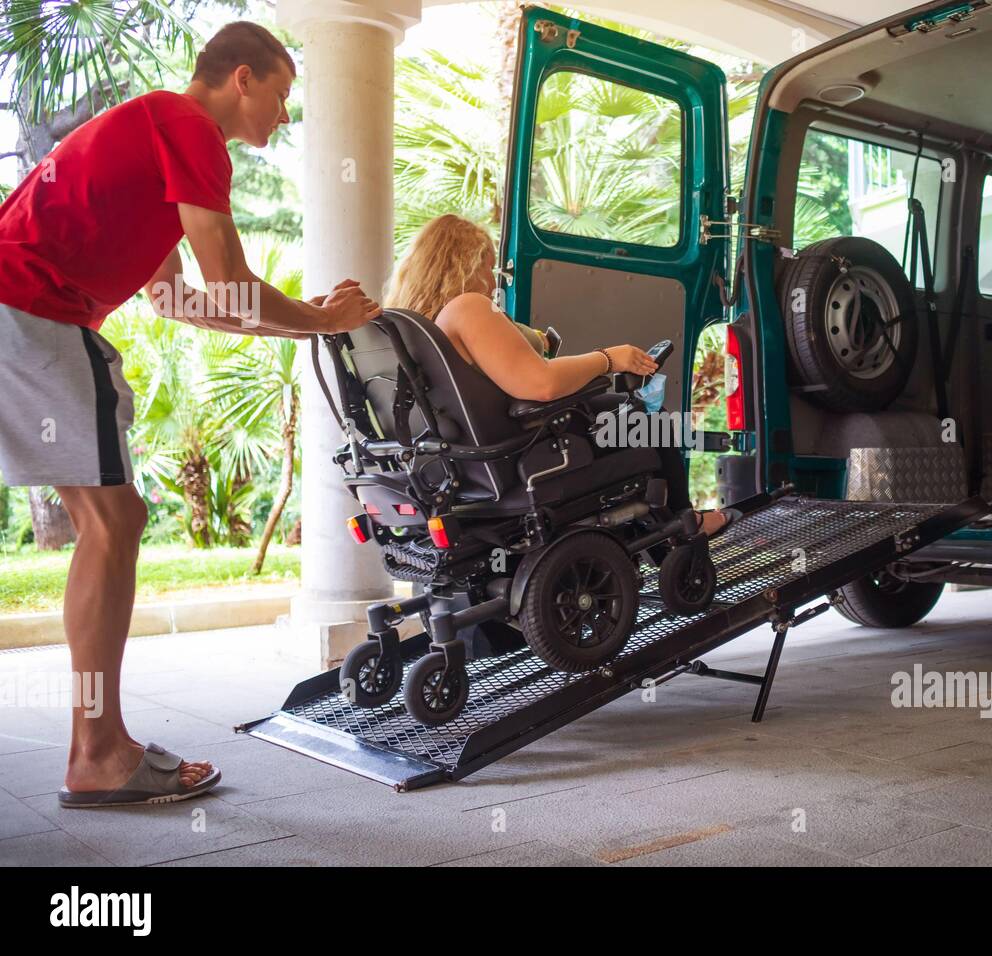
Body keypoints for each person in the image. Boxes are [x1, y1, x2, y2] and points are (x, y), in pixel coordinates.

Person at [0, 22, 381, 808]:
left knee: (111, 520)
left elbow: (184, 301)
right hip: (31, 308)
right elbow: (234, 284)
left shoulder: (155, 136)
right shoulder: (189, 130)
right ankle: (99, 754)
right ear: (242, 78)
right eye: (280, 95)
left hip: (22, 308)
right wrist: (327, 323)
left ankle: (95, 748)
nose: (284, 116)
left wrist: (302, 315)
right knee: (115, 522)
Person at [386, 213, 734, 535]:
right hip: (520, 451)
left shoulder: (406, 326)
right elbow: (543, 384)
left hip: (457, 464)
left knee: (617, 409)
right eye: (489, 267)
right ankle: (684, 522)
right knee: (647, 418)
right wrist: (609, 359)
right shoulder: (466, 307)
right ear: (467, 266)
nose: (492, 279)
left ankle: (657, 525)